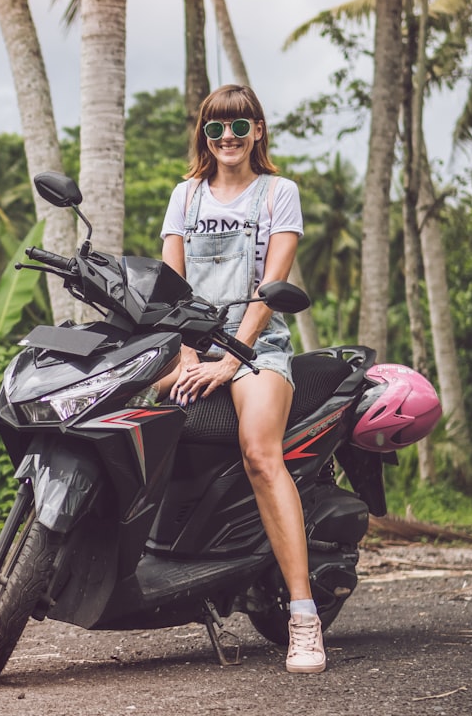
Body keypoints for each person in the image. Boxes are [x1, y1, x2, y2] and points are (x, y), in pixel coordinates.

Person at [156, 84, 324, 674]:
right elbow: (174, 290)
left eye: (238, 126)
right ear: (204, 136)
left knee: (260, 454)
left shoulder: (280, 193)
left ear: (257, 131)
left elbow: (269, 289)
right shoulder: (185, 196)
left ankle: (303, 617)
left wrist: (231, 357)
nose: (227, 137)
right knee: (121, 408)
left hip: (257, 349)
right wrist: (181, 357)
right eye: (215, 128)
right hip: (195, 347)